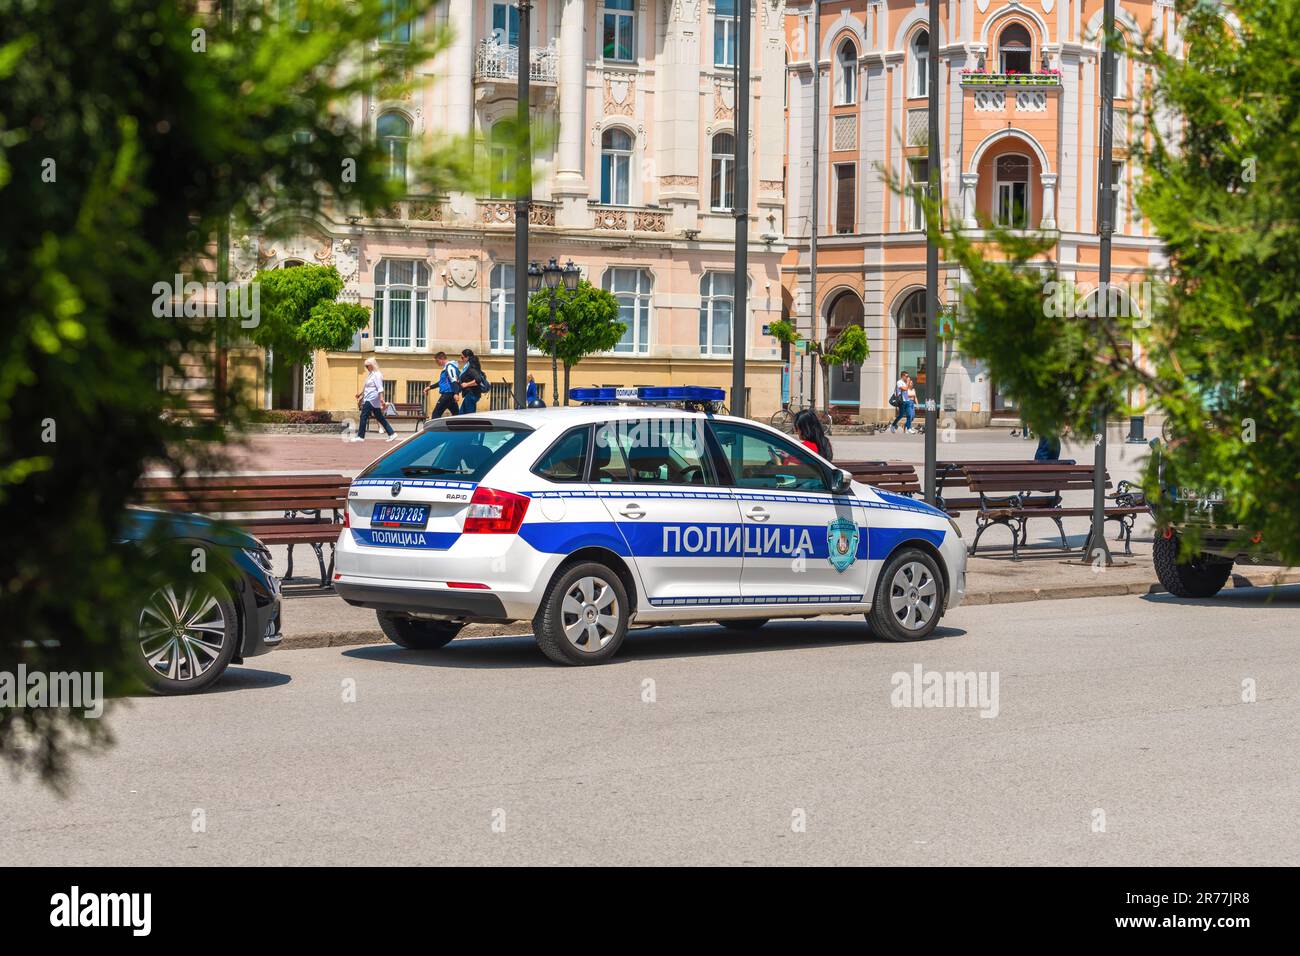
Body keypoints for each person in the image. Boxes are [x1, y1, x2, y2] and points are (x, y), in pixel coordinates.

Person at [352, 358, 398, 443]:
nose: (366, 367)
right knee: (380, 417)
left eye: (367, 366)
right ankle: (392, 433)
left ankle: (360, 436)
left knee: (363, 416)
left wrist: (381, 398)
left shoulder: (377, 374)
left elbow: (380, 387)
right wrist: (360, 394)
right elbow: (367, 387)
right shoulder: (371, 374)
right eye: (365, 366)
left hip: (372, 399)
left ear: (372, 365)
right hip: (370, 398)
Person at [424, 351, 460, 418]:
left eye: (437, 361)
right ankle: (459, 428)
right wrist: (429, 387)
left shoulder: (449, 367)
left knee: (435, 414)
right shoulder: (447, 367)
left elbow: (453, 380)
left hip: (447, 394)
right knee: (456, 415)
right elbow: (441, 382)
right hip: (450, 394)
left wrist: (456, 393)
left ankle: (434, 428)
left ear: (441, 359)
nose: (437, 363)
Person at [457, 348, 485, 414]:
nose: (461, 359)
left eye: (462, 357)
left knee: (468, 416)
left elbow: (478, 380)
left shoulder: (471, 367)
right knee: (462, 415)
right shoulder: (469, 366)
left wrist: (466, 384)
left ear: (467, 357)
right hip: (470, 394)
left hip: (471, 394)